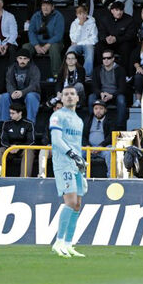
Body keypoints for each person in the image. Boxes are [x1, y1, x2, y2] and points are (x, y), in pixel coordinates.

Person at [49, 86, 88, 258]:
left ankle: (68, 243)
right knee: (70, 201)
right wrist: (72, 155)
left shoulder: (78, 120)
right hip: (63, 163)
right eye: (66, 94)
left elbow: (76, 144)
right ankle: (58, 242)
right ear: (61, 98)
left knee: (78, 204)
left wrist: (80, 162)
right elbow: (56, 140)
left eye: (72, 94)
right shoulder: (57, 116)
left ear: (78, 98)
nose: (70, 97)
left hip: (75, 164)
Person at [22, 0, 65, 81]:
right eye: (43, 5)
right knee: (25, 48)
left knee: (54, 48)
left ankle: (57, 76)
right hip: (38, 43)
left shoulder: (58, 16)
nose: (45, 8)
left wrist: (47, 45)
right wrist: (36, 45)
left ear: (52, 7)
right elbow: (31, 32)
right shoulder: (36, 16)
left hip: (54, 43)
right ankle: (25, 74)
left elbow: (58, 35)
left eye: (48, 5)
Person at [0, 102, 35, 177]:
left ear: (20, 113)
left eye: (13, 113)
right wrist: (10, 147)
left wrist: (18, 147)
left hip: (23, 148)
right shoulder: (7, 123)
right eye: (10, 113)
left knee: (29, 152)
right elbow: (3, 140)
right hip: (9, 148)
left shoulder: (28, 124)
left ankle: (24, 178)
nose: (10, 115)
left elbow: (31, 141)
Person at [6, 49, 41, 125]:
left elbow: (34, 85)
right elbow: (8, 83)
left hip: (30, 94)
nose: (22, 61)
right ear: (17, 59)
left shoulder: (34, 68)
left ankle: (30, 124)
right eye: (20, 58)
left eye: (25, 58)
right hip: (16, 94)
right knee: (4, 96)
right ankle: (5, 124)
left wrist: (22, 92)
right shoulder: (12, 68)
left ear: (28, 59)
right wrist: (12, 92)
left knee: (30, 96)